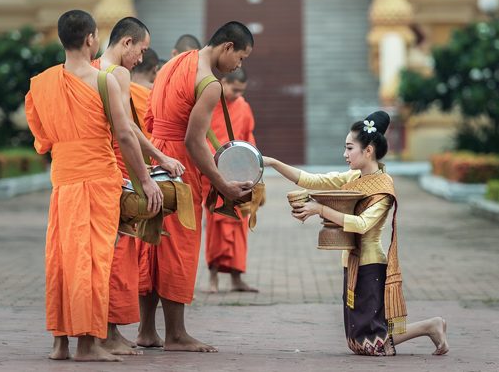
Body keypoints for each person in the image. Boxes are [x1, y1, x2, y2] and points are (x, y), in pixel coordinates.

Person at [25, 9, 162, 362]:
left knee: (61, 259)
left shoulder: (40, 83)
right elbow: (126, 136)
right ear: (90, 40)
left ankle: (60, 342)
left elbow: (41, 140)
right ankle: (87, 343)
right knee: (92, 261)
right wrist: (144, 180)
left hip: (63, 181)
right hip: (99, 180)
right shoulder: (104, 81)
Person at [263, 111, 449, 357]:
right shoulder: (353, 177)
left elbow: (361, 224)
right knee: (359, 341)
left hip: (371, 264)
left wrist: (319, 209)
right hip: (352, 261)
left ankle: (429, 325)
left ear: (368, 150)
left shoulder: (383, 188)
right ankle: (428, 327)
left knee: (371, 342)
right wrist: (274, 163)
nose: (345, 154)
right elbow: (311, 179)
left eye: (350, 148)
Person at [137, 21, 254, 352]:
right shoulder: (210, 83)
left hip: (155, 155)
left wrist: (153, 156)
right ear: (227, 47)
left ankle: (147, 330)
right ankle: (175, 334)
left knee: (152, 242)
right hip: (178, 164)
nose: (238, 67)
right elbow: (193, 140)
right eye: (241, 58)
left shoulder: (175, 62)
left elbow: (148, 116)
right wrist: (224, 185)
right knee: (178, 245)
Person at [90, 17, 184, 356]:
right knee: (118, 253)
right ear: (126, 42)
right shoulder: (116, 74)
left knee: (106, 252)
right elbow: (127, 130)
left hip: (97, 168)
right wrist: (153, 168)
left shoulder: (92, 69)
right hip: (118, 168)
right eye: (141, 50)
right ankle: (108, 332)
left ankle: (105, 330)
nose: (142, 58)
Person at [202, 67, 258, 293]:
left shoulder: (243, 106)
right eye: (234, 89)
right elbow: (200, 136)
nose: (237, 94)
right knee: (215, 226)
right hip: (215, 172)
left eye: (241, 91)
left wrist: (253, 169)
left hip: (240, 173)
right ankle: (213, 278)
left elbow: (248, 137)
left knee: (240, 226)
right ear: (223, 82)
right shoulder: (208, 103)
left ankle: (237, 278)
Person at [129, 48, 159, 139]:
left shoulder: (120, 88)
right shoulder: (158, 92)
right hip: (153, 149)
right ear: (155, 69)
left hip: (125, 149)